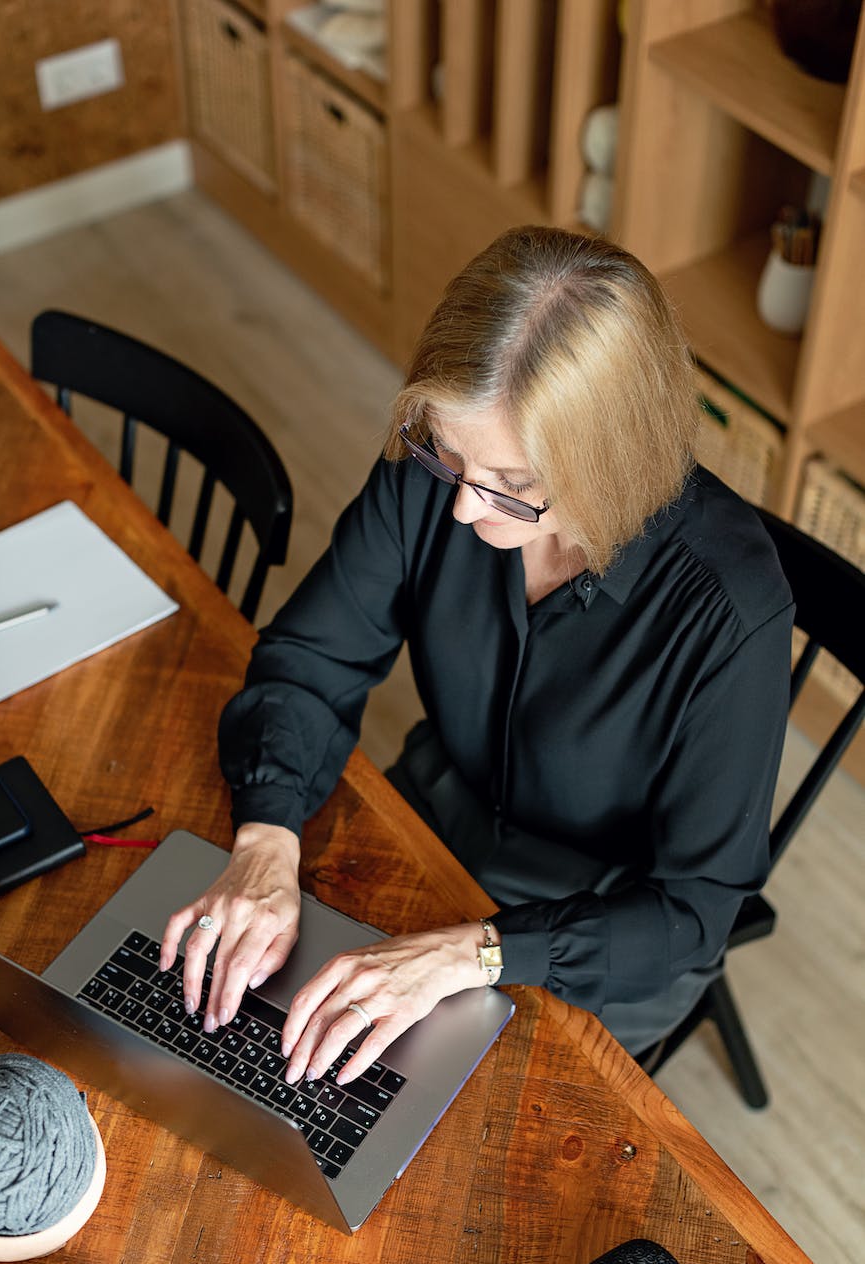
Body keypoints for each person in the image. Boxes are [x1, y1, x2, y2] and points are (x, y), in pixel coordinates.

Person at [160, 226, 793, 1089]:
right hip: (440, 804)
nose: (459, 511)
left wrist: (480, 953)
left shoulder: (730, 610)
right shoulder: (439, 470)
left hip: (602, 919)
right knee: (263, 1041)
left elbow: (689, 917)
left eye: (509, 485)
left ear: (610, 460)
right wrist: (267, 837)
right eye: (447, 456)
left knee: (434, 1125)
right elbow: (311, 657)